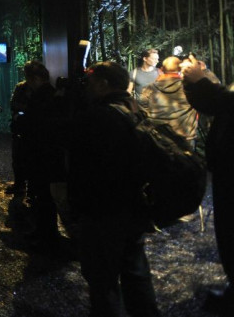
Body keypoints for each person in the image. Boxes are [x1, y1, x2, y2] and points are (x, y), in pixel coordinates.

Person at [68, 61, 161, 317]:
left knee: (102, 279)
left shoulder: (97, 117)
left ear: (103, 84)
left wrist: (76, 209)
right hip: (134, 206)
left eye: (90, 82)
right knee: (136, 274)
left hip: (102, 211)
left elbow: (81, 166)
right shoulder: (134, 109)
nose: (87, 87)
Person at [182, 59, 234, 316]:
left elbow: (221, 102)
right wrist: (200, 82)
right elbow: (215, 103)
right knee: (226, 233)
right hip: (226, 172)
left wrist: (201, 81)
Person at [16, 60, 63, 248]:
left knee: (43, 195)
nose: (27, 83)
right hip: (44, 152)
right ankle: (44, 231)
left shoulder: (43, 96)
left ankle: (46, 235)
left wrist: (22, 120)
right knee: (42, 195)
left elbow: (35, 124)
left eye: (29, 79)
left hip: (41, 152)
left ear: (35, 78)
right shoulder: (51, 94)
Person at [138, 56, 198, 149]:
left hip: (159, 137)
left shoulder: (149, 88)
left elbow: (142, 109)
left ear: (161, 69)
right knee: (187, 162)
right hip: (185, 136)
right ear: (180, 68)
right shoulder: (190, 87)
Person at [6, 79, 31, 195]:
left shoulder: (29, 88)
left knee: (24, 158)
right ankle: (21, 184)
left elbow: (14, 103)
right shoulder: (21, 87)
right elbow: (13, 103)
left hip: (27, 128)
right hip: (19, 127)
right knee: (17, 158)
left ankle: (24, 185)